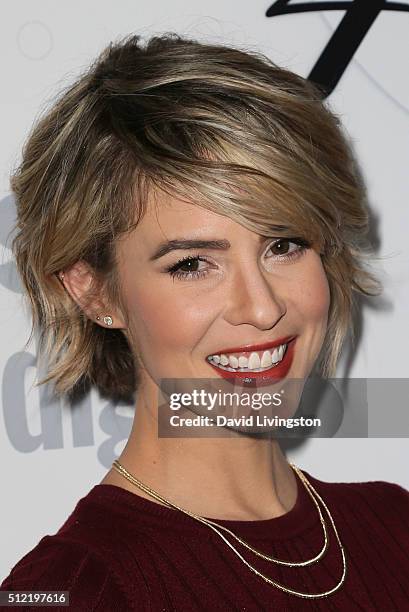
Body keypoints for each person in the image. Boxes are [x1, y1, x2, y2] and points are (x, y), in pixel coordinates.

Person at [1, 33, 408, 611]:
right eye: (193, 264)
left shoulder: (393, 527)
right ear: (92, 291)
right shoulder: (73, 589)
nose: (262, 308)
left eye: (284, 244)